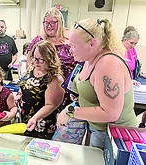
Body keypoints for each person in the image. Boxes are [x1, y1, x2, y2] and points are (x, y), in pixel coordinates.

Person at [57, 18, 138, 150]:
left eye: (73, 46)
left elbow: (111, 113)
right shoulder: (90, 59)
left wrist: (70, 112)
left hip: (113, 136)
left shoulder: (108, 64)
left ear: (92, 43)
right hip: (96, 130)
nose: (70, 51)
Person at [15, 40, 65, 140]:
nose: (36, 62)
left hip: (42, 123)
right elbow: (24, 84)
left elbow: (51, 105)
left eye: (41, 59)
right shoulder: (32, 68)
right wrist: (19, 95)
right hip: (27, 118)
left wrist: (35, 118)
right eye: (34, 58)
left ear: (50, 59)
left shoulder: (54, 78)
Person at [26, 8, 83, 80]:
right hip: (42, 85)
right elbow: (29, 65)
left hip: (68, 86)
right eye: (46, 23)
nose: (49, 26)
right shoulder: (38, 41)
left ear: (60, 22)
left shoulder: (70, 41)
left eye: (52, 23)